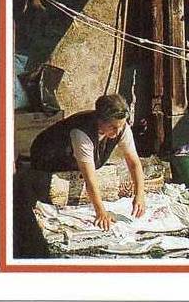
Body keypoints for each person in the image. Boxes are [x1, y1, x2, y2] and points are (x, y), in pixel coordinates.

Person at [29, 93, 145, 231]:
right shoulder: (81, 132)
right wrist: (101, 212)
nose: (118, 130)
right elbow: (89, 178)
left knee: (96, 164)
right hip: (48, 155)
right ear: (100, 121)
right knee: (49, 190)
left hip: (76, 154)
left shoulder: (121, 127)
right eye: (113, 127)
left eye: (120, 126)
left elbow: (133, 163)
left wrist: (140, 194)